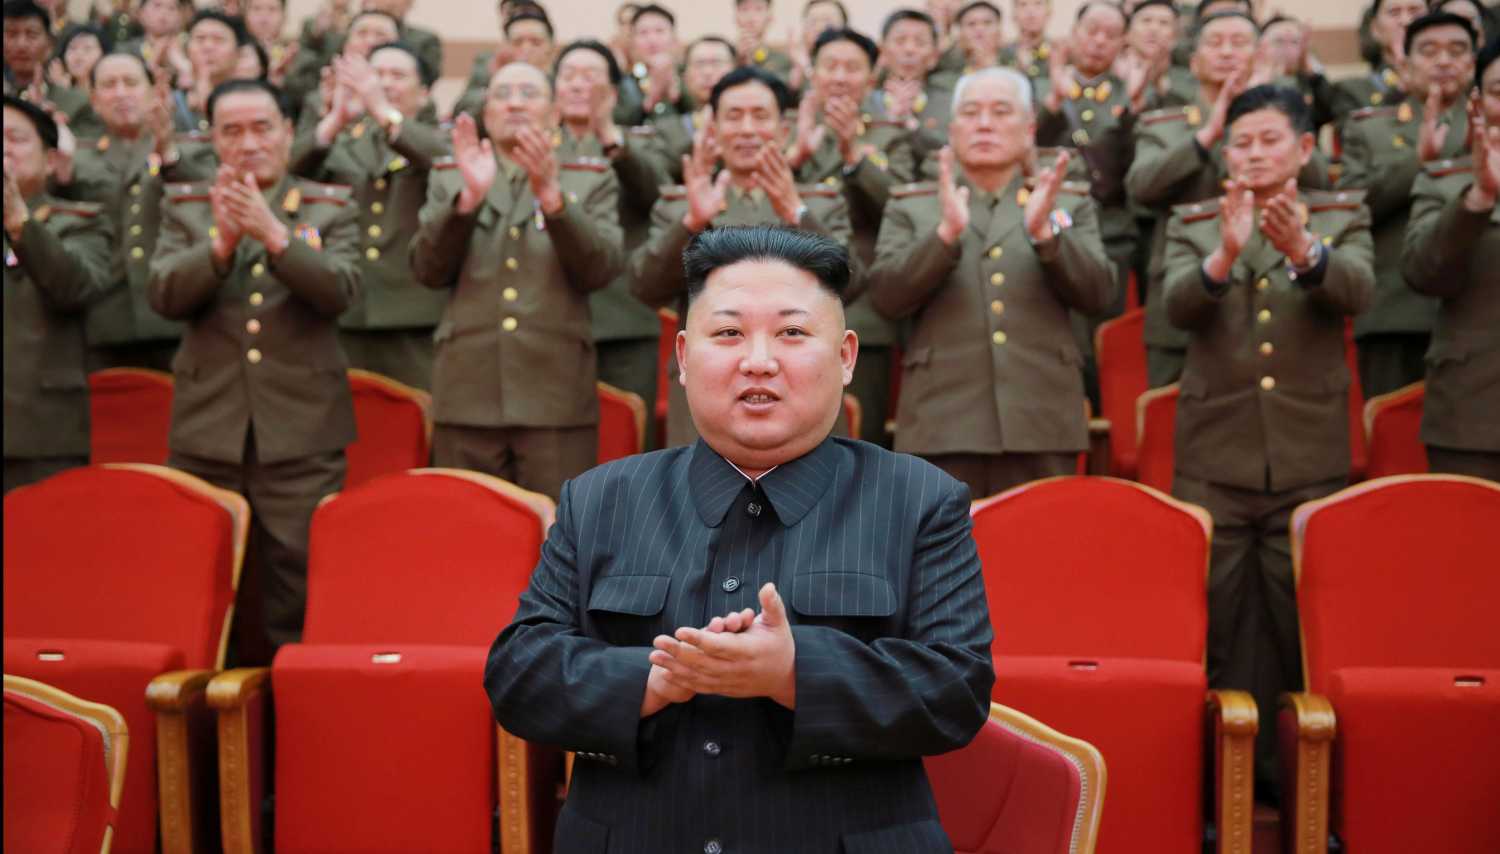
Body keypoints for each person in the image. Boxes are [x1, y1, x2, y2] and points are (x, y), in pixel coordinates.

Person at [484, 225, 995, 853]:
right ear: (681, 356)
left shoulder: (920, 500)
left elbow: (956, 691)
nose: (758, 360)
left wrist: (793, 672)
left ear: (846, 357)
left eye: (792, 333)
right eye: (728, 333)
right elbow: (518, 675)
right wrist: (651, 679)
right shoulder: (601, 500)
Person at [1162, 84, 1373, 799]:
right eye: (1241, 142)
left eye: (1269, 140)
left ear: (1306, 148)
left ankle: (1301, 791)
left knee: (1301, 627)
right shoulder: (1196, 219)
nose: (1253, 153)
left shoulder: (1341, 213)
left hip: (1309, 457)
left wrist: (1304, 251)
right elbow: (1176, 307)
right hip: (1213, 456)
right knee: (1214, 627)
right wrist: (1223, 255)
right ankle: (1217, 788)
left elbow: (1358, 292)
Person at [149, 78, 360, 664]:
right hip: (207, 431)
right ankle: (202, 738)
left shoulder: (329, 203)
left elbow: (342, 291)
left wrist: (274, 235)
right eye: (232, 131)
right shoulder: (187, 206)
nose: (248, 143)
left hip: (301, 436)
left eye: (262, 128)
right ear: (211, 139)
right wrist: (219, 246)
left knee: (296, 593)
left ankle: (287, 730)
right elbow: (163, 295)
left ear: (288, 133)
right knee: (200, 588)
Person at [868, 67, 1116, 499]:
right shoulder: (915, 205)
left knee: (1039, 557)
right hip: (941, 421)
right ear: (951, 129)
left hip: (1042, 419)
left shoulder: (1067, 201)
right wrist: (944, 236)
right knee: (941, 562)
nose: (984, 123)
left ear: (1029, 130)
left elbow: (1098, 294)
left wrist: (1046, 235)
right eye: (971, 112)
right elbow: (887, 298)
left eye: (1001, 112)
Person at [410, 62, 623, 500]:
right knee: (469, 535)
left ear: (554, 110)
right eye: (503, 93)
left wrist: (553, 198)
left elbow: (600, 269)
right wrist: (465, 202)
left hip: (554, 392)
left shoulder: (589, 176)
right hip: (468, 388)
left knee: (561, 543)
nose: (515, 102)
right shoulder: (451, 174)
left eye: (529, 92)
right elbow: (427, 271)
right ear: (486, 112)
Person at [629, 65, 854, 447]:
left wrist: (797, 213)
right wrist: (691, 222)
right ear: (712, 129)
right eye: (733, 117)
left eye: (760, 116)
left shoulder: (820, 202)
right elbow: (645, 287)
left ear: (783, 131)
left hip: (802, 387)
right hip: (710, 392)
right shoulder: (680, 203)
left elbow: (854, 283)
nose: (747, 129)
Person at [292, 40, 448, 390]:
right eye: (375, 75)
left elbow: (450, 167)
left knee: (416, 428)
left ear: (423, 93)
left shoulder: (438, 140)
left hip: (414, 317)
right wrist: (334, 120)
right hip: (345, 311)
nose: (384, 84)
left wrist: (383, 111)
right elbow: (283, 175)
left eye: (398, 75)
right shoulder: (337, 143)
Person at [1339, 12, 1476, 399]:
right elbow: (1351, 208)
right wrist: (1417, 161)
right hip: (1395, 313)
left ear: (1473, 62)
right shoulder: (1369, 128)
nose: (1444, 61)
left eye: (1457, 50)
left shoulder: (1490, 127)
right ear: (1404, 62)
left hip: (1479, 313)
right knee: (1394, 444)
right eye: (1429, 51)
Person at [789, 26, 912, 447]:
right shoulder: (784, 132)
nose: (840, 77)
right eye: (830, 66)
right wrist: (798, 157)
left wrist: (853, 156)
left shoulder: (891, 135)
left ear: (871, 79)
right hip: (787, 304)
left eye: (852, 68)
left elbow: (901, 210)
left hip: (861, 311)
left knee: (858, 443)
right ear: (813, 74)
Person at [60, 51, 215, 371]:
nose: (120, 93)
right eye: (109, 85)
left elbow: (209, 207)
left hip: (174, 316)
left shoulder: (192, 149)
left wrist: (169, 153)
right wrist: (59, 181)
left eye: (131, 83)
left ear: (153, 92)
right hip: (102, 318)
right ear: (93, 98)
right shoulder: (76, 158)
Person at [552, 39, 671, 448]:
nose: (578, 85)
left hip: (623, 319)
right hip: (554, 319)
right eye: (568, 76)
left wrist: (609, 136)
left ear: (615, 92)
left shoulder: (640, 143)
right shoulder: (534, 148)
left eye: (590, 76)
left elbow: (658, 196)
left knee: (627, 444)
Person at [1400, 37, 1500, 482]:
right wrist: (1477, 199)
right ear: (1478, 102)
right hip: (1475, 414)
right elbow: (1422, 273)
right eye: (1499, 90)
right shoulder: (1445, 180)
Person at [3, 94, 112, 493]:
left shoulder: (81, 222)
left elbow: (76, 287)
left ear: (50, 161)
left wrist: (19, 223)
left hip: (40, 434)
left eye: (13, 138)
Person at [1329, 0, 1424, 126]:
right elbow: (1354, 139)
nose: (1406, 21)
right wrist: (1399, 90)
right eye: (1394, 12)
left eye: (1415, 11)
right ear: (1375, 28)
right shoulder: (1352, 90)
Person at [172, 9, 249, 132]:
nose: (208, 47)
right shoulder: (171, 103)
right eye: (200, 39)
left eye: (218, 39)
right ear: (187, 50)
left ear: (238, 53)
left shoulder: (251, 100)